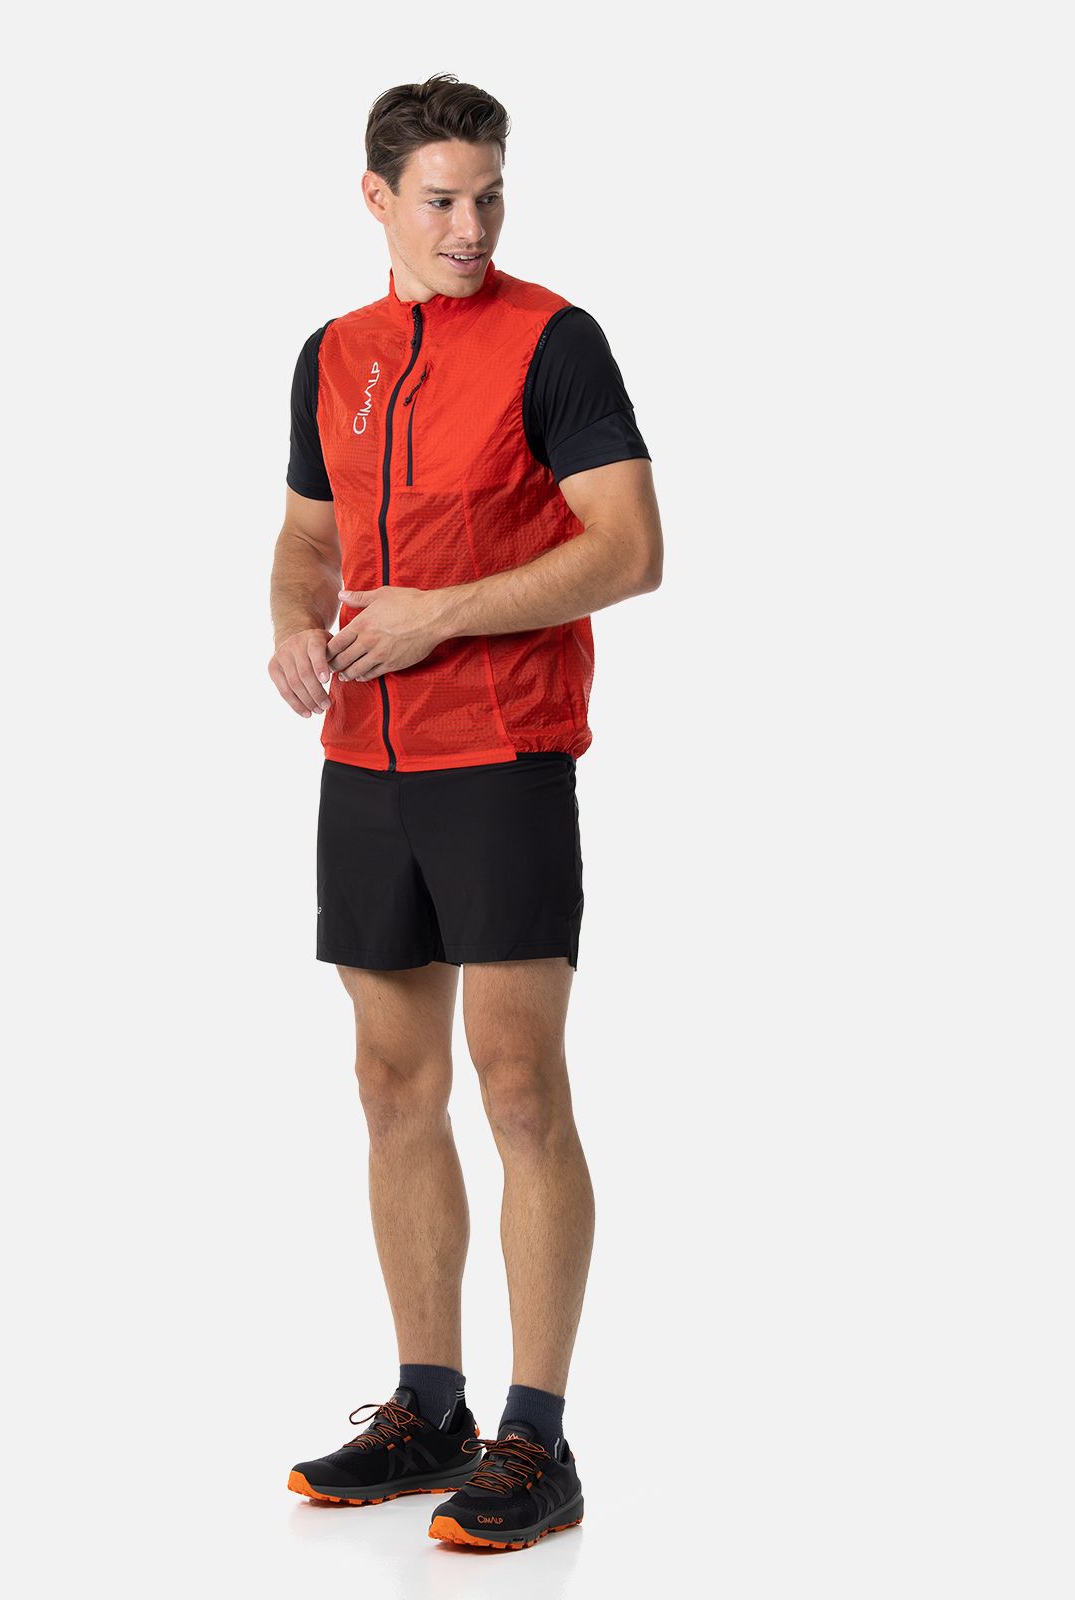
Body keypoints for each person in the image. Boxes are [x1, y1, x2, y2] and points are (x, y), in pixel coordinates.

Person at [267, 72, 663, 1553]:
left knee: (518, 1089)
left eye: (489, 196)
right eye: (441, 199)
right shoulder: (334, 354)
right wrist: (294, 622)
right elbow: (304, 540)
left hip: (502, 753)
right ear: (377, 199)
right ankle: (425, 1410)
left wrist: (439, 616)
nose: (471, 226)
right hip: (364, 761)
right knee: (389, 1084)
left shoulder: (556, 341)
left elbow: (630, 547)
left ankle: (535, 1437)